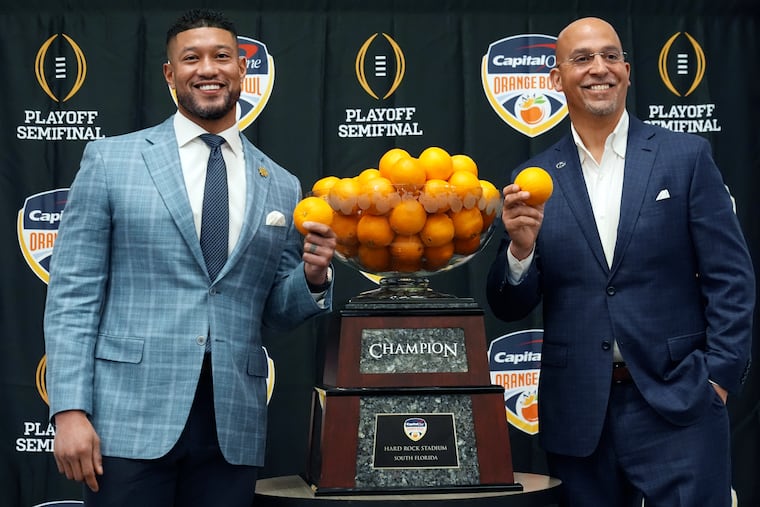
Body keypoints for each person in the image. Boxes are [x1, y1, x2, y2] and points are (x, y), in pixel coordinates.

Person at [43, 8, 337, 506]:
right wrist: (69, 411)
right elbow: (73, 293)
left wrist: (311, 276)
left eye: (222, 56)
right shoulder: (111, 160)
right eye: (191, 58)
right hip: (128, 420)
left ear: (243, 69)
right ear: (169, 73)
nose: (208, 69)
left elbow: (274, 311)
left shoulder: (282, 185)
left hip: (232, 427)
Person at [486, 17, 755, 507]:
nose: (600, 69)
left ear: (628, 72)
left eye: (611, 56)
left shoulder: (686, 156)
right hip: (578, 413)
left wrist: (718, 378)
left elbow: (731, 277)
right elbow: (508, 306)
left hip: (680, 405)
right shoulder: (533, 177)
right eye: (583, 58)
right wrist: (520, 252)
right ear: (554, 79)